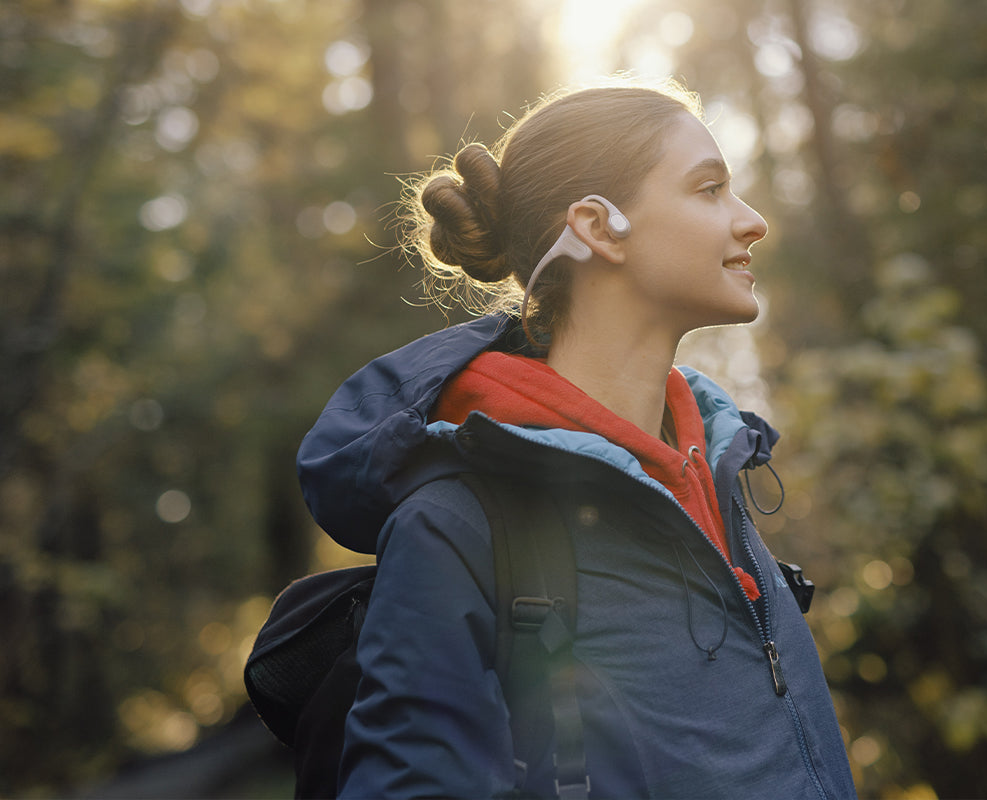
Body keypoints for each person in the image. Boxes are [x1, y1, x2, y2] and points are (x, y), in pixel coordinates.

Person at [296, 78, 857, 799]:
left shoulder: (713, 471)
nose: (752, 222)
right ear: (598, 226)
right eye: (709, 188)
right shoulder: (457, 522)